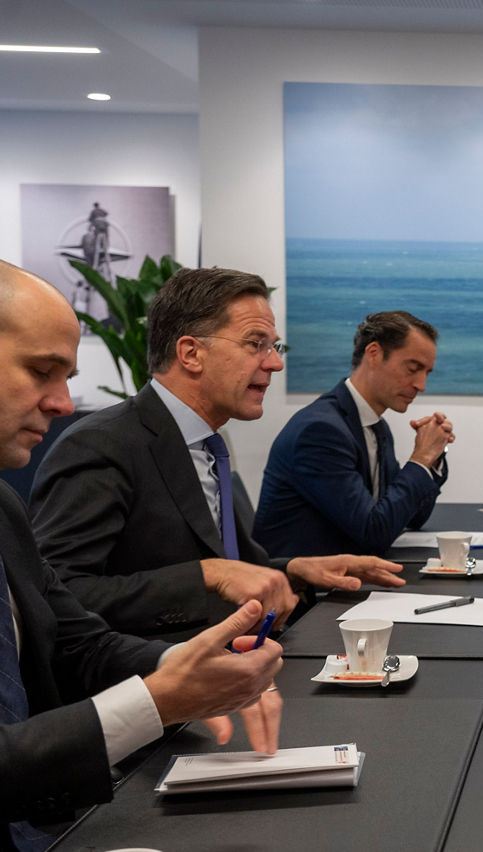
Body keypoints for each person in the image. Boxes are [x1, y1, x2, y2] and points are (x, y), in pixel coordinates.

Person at [0, 260, 282, 847]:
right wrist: (159, 696)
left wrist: (178, 672)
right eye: (41, 371)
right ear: (190, 352)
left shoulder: (3, 505)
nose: (62, 403)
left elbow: (71, 635)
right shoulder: (102, 445)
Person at [28, 267, 404, 642]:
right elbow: (56, 595)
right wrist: (208, 575)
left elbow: (230, 569)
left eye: (275, 346)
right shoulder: (102, 445)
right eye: (256, 344)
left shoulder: (207, 443)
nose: (275, 363)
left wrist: (296, 569)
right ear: (191, 353)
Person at [254, 311, 453, 558]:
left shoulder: (375, 426)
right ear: (374, 354)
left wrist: (431, 457)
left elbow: (412, 516)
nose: (421, 385)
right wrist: (420, 459)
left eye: (427, 373)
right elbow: (374, 532)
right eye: (413, 369)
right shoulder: (320, 431)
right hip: (306, 591)